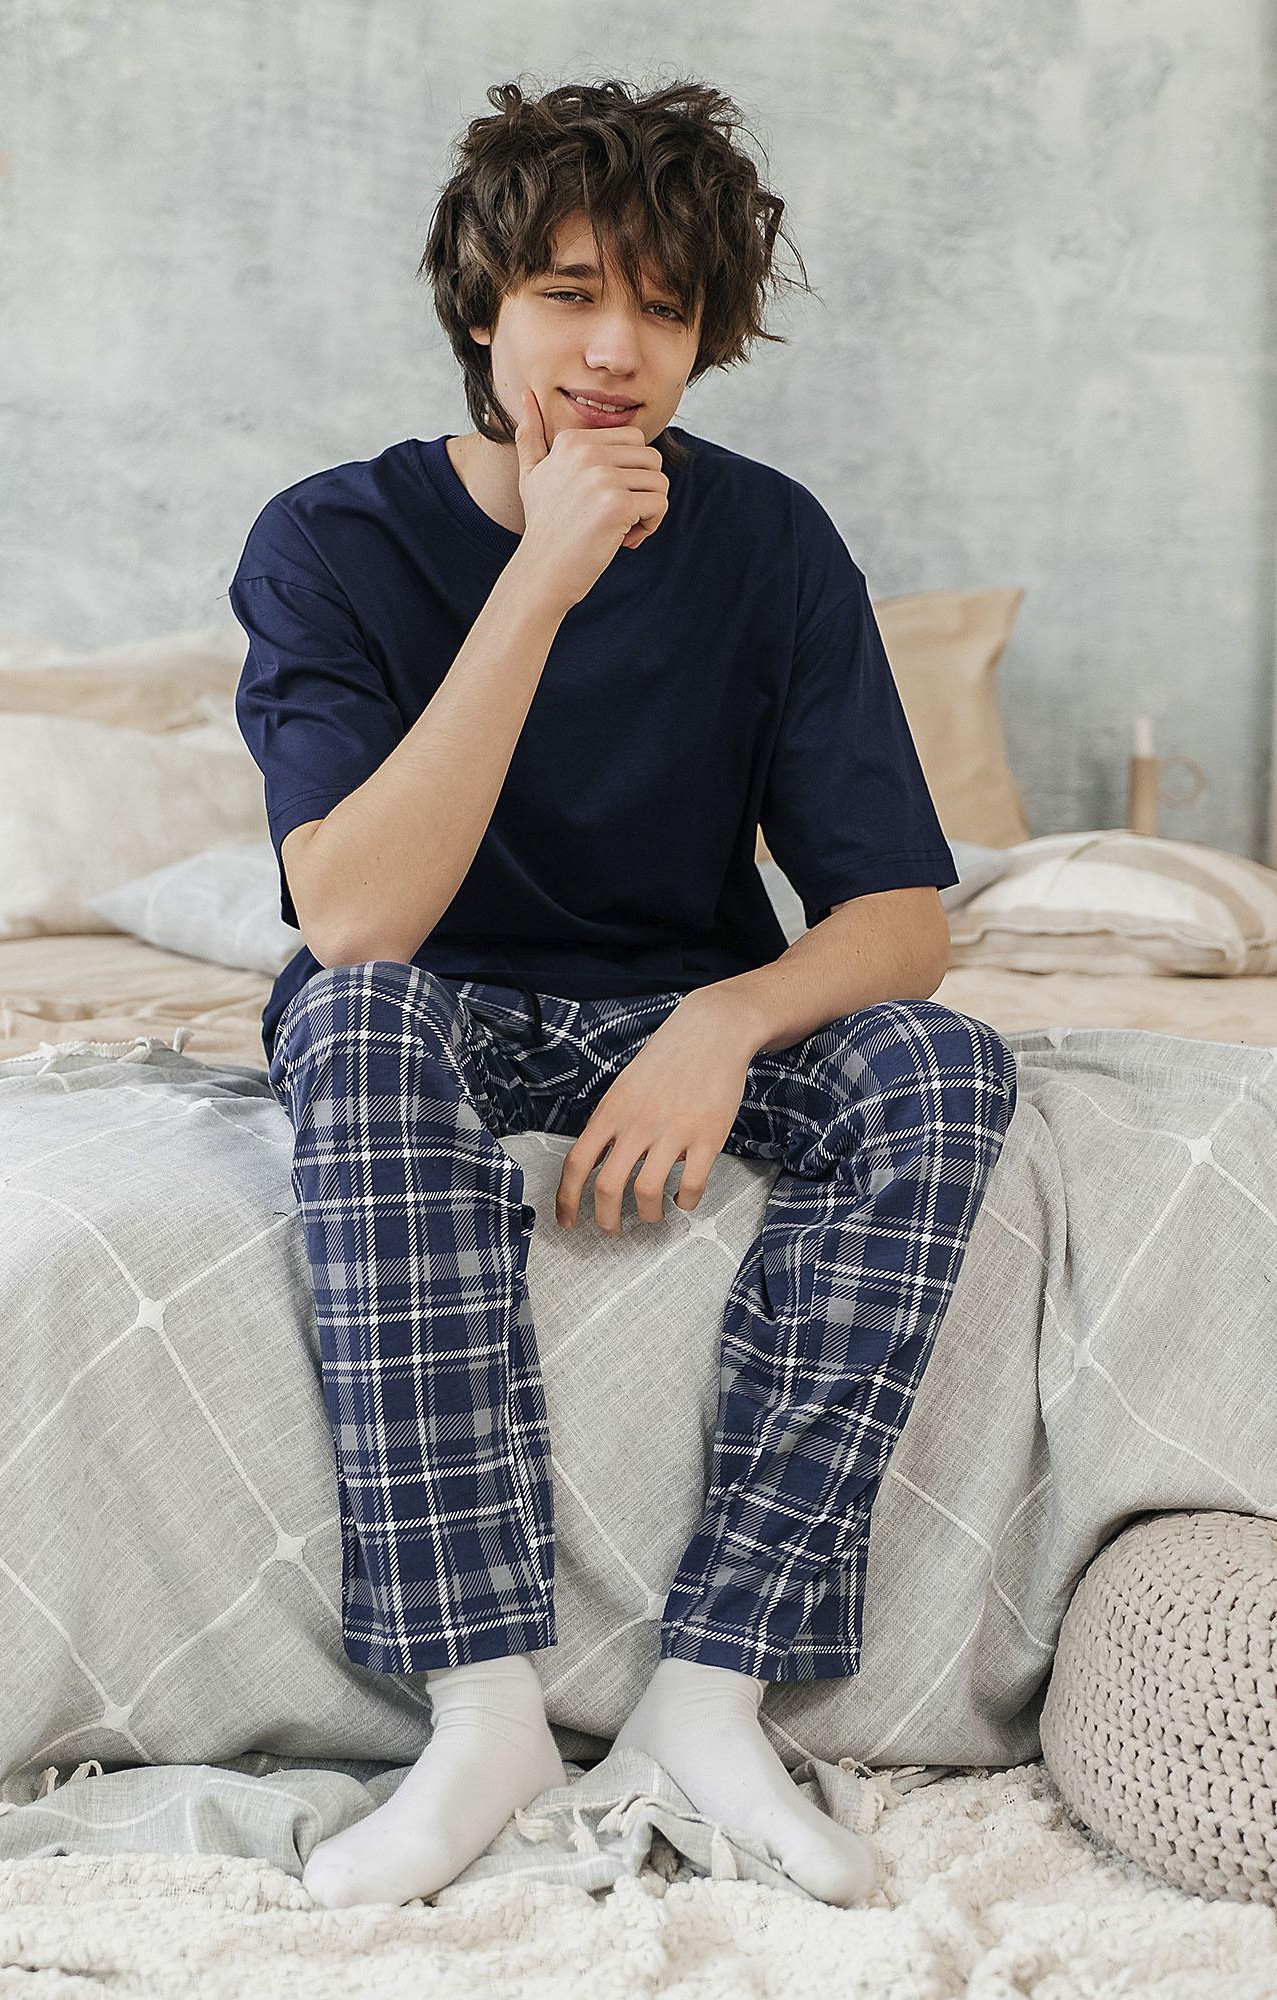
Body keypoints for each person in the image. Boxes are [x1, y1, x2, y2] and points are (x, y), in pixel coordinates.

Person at [229, 74, 1017, 1913]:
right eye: (570, 293)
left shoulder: (773, 542)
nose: (614, 349)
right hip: (430, 1006)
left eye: (664, 307)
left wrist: (722, 1021)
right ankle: (483, 1712)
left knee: (943, 1068)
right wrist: (547, 572)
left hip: (677, 1006)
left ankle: (712, 1695)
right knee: (351, 1020)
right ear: (483, 306)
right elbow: (356, 919)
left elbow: (902, 917)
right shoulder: (330, 542)